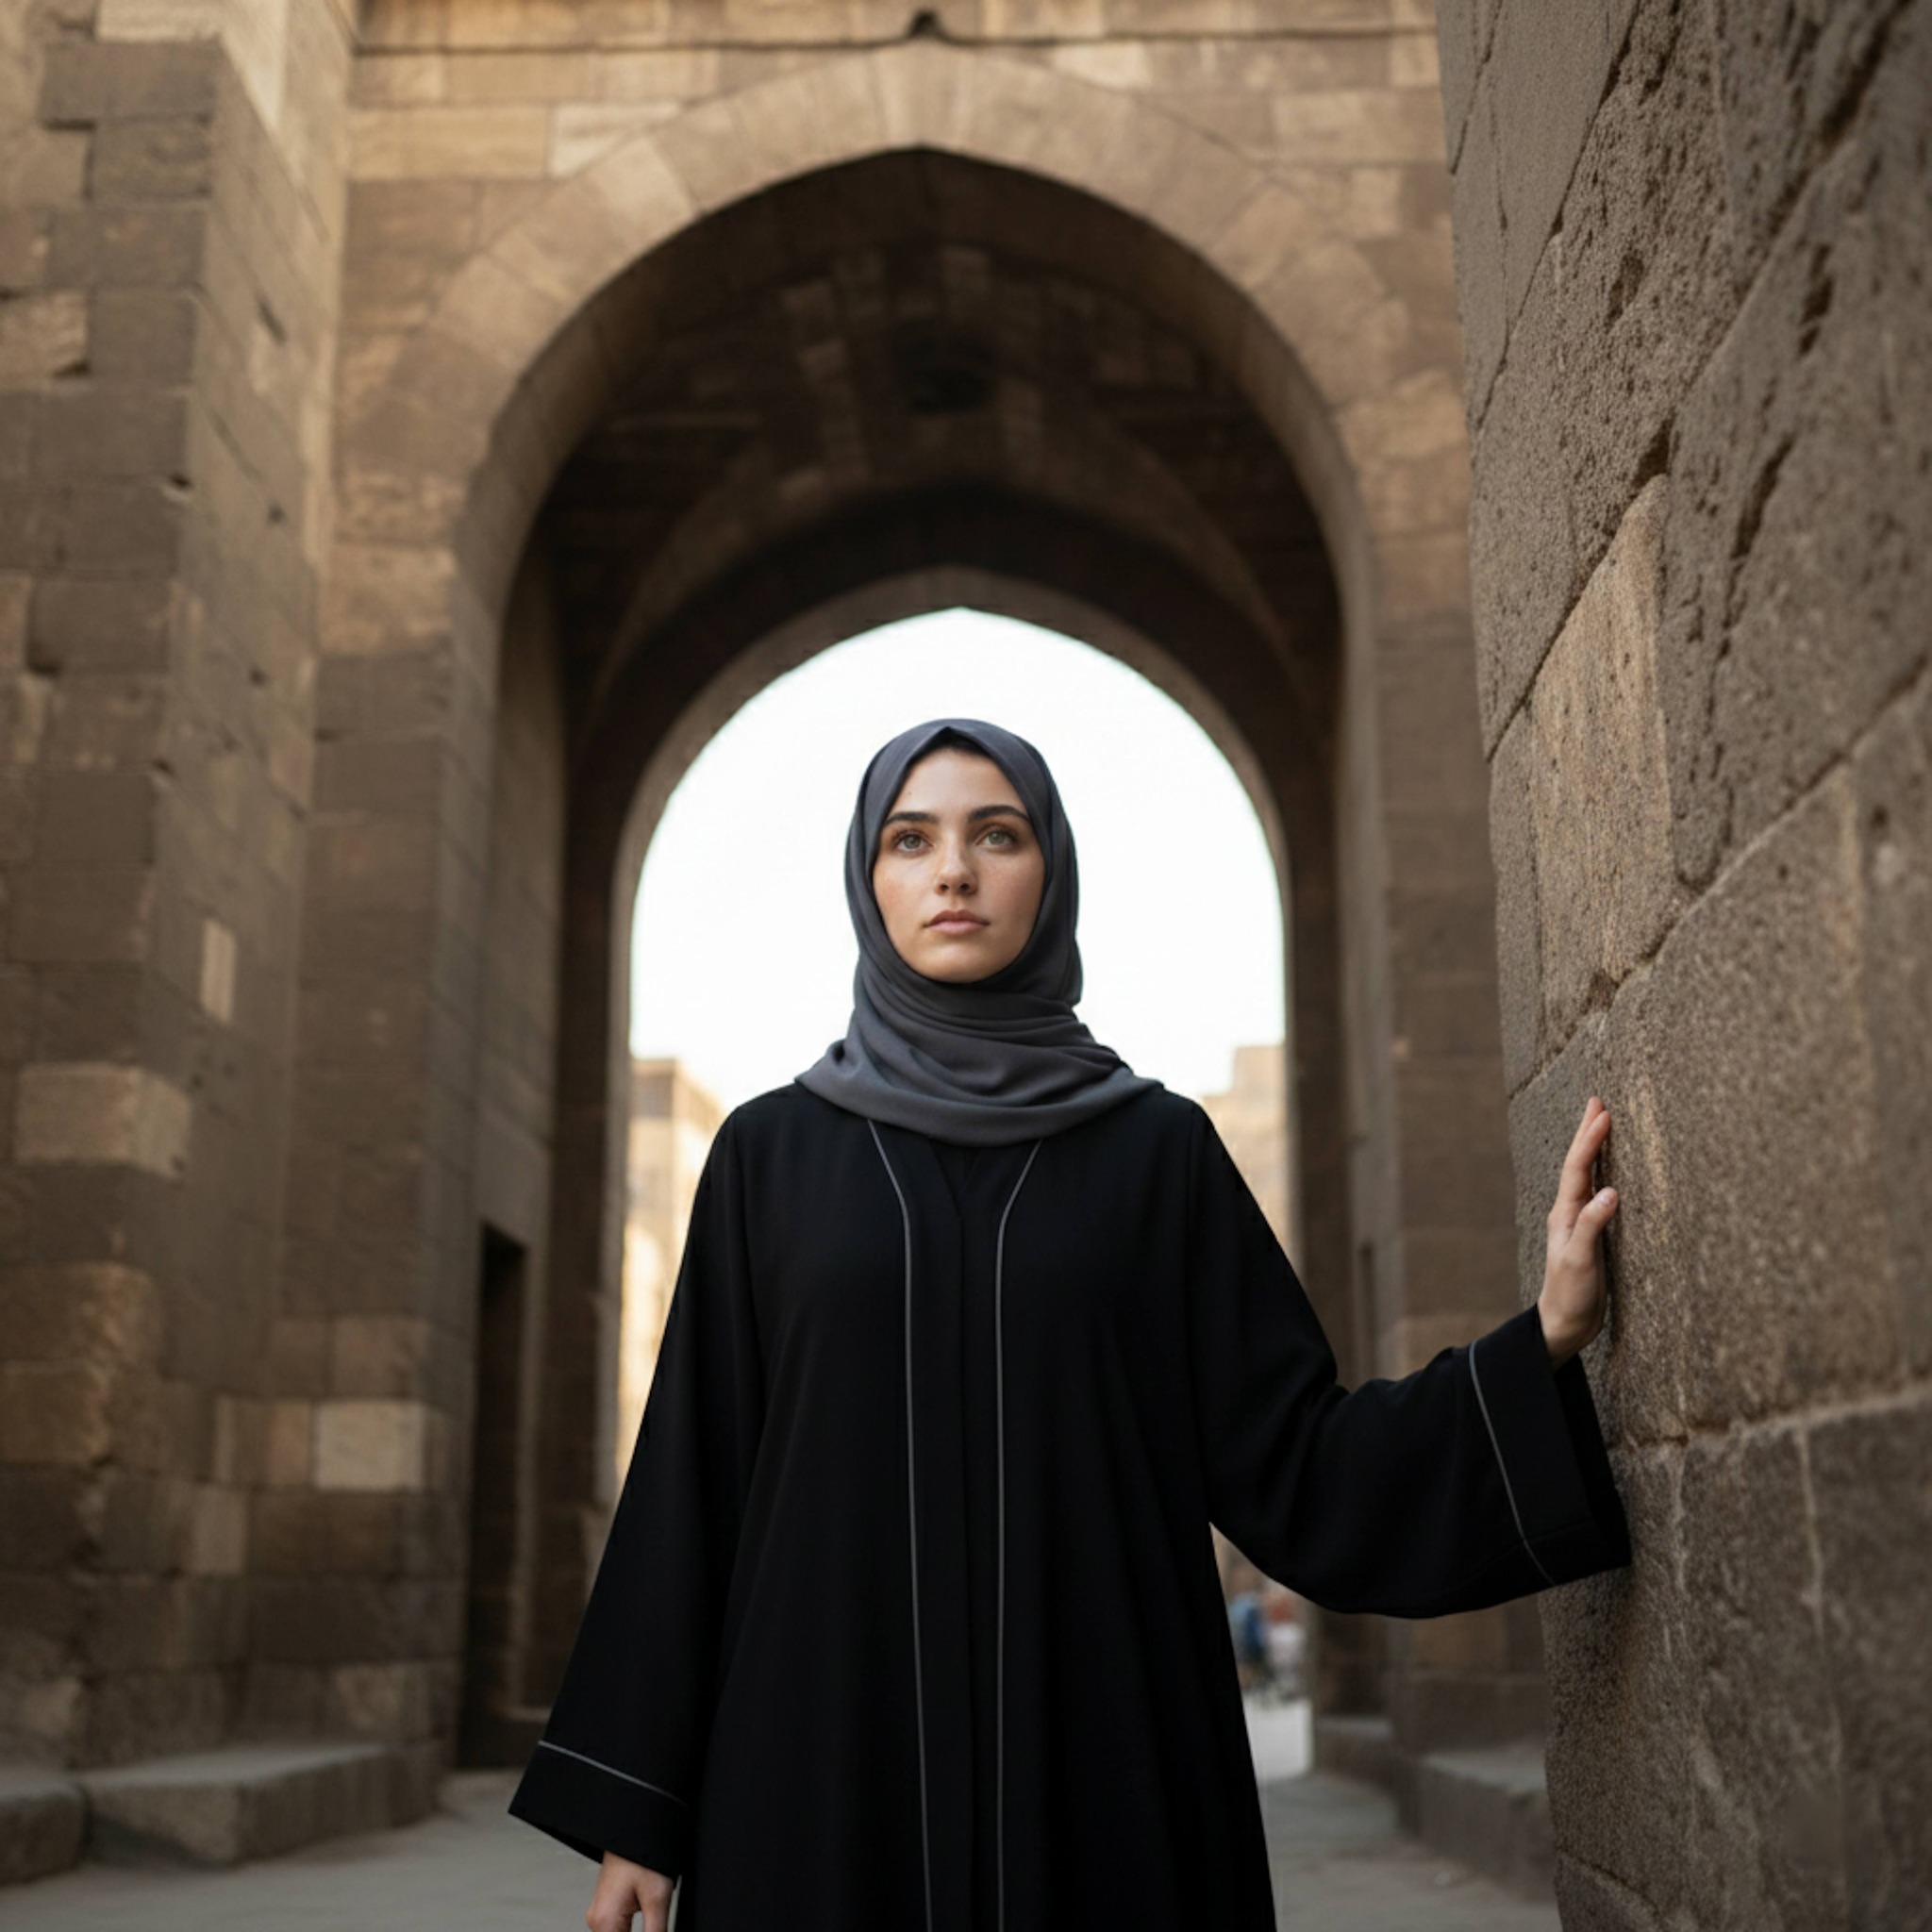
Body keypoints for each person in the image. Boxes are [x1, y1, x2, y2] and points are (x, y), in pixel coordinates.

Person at [508, 718, 1630, 1932]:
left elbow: (1293, 1458)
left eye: (997, 833)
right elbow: (692, 1486)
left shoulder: (1155, 1153)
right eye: (909, 838)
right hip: (818, 1777)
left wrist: (1543, 1341)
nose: (953, 870)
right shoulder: (768, 1159)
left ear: (1050, 874)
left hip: (1107, 1774)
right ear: (864, 878)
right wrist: (640, 1810)